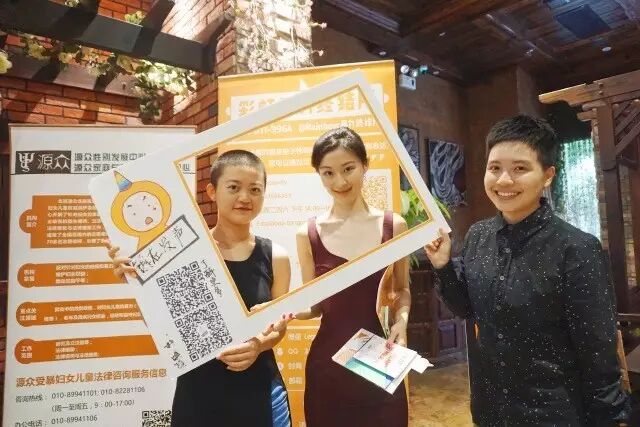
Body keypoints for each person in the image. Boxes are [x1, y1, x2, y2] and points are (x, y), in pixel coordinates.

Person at [424, 115, 629, 426]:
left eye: (520, 168)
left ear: (547, 175)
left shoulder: (576, 249)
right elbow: (466, 308)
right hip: (490, 410)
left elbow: (598, 352)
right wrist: (443, 266)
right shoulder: (478, 236)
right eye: (495, 168)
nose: (503, 180)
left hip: (554, 414)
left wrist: (609, 418)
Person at [107, 150, 293, 427]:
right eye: (233, 187)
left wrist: (258, 345)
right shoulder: (181, 252)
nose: (245, 197)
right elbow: (162, 324)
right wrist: (136, 282)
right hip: (198, 392)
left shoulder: (275, 255)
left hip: (258, 391)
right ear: (212, 191)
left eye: (255, 189)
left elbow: (279, 325)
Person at [294, 127, 411, 426]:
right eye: (328, 173)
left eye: (348, 169)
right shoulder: (308, 233)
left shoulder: (393, 226)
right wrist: (282, 311)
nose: (340, 181)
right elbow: (314, 306)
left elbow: (401, 289)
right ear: (319, 175)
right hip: (328, 368)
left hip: (380, 362)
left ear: (365, 165)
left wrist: (401, 322)